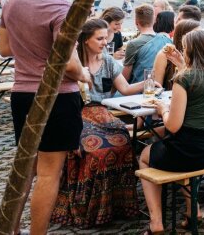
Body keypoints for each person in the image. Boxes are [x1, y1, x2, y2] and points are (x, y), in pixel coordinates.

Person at [0, 0, 92, 235]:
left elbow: (4, 49)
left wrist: (31, 53)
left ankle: (10, 229)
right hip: (56, 98)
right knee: (49, 173)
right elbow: (68, 65)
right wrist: (86, 75)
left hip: (22, 95)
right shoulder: (62, 8)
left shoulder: (12, 1)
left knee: (25, 169)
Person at [53, 19, 149, 228]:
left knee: (123, 142)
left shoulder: (108, 62)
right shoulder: (72, 62)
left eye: (106, 37)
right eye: (100, 38)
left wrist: (150, 82)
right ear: (86, 40)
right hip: (75, 113)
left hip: (102, 112)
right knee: (97, 151)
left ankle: (117, 205)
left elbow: (125, 89)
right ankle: (89, 206)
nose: (105, 42)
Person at [139, 30, 204, 234]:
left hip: (188, 152)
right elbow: (196, 83)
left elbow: (173, 126)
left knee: (144, 156)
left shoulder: (183, 79)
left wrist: (163, 109)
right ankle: (192, 210)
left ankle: (156, 222)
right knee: (170, 149)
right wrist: (181, 64)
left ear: (190, 50)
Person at [122, 4, 172, 83]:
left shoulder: (133, 44)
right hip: (161, 87)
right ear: (154, 20)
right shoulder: (166, 41)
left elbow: (125, 77)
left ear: (136, 22)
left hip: (138, 89)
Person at [152, 20, 201, 90]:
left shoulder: (199, 55)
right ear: (182, 37)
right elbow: (156, 86)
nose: (201, 38)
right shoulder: (164, 55)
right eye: (196, 35)